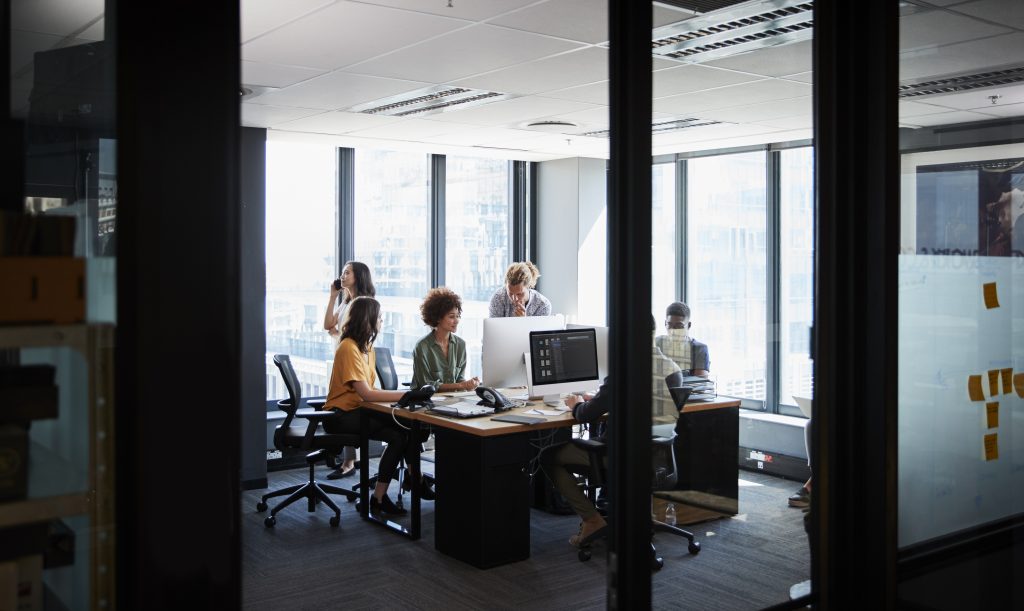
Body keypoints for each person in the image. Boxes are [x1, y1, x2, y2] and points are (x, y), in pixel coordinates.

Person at [322, 296, 430, 516]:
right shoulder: (348, 347)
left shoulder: (367, 348)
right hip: (341, 415)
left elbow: (370, 391)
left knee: (401, 434)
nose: (382, 321)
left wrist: (405, 397)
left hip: (358, 411)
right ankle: (415, 479)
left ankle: (378, 498)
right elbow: (367, 394)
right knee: (406, 427)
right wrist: (408, 395)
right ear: (367, 319)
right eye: (379, 317)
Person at [322, 261, 376, 479]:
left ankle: (350, 461)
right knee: (347, 404)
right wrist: (332, 297)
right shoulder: (346, 302)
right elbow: (328, 324)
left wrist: (340, 336)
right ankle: (350, 460)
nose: (342, 276)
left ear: (359, 277)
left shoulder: (364, 304)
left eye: (347, 273)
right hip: (344, 356)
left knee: (354, 403)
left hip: (355, 358)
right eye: (342, 272)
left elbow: (360, 334)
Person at [411, 287, 481, 392]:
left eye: (458, 316)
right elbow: (425, 384)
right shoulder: (422, 347)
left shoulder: (460, 344)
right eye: (452, 317)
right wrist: (461, 385)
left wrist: (469, 384)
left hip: (452, 399)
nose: (456, 321)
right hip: (426, 399)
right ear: (438, 318)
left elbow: (459, 379)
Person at [655, 302, 710, 376]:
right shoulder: (656, 343)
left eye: (679, 326)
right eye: (670, 325)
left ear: (689, 325)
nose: (673, 331)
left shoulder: (699, 349)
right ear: (665, 323)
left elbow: (700, 380)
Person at [488, 261, 552, 318]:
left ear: (529, 286)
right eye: (510, 293)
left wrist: (523, 321)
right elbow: (494, 326)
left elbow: (538, 328)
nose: (514, 299)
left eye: (519, 294)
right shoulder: (498, 298)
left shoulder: (543, 305)